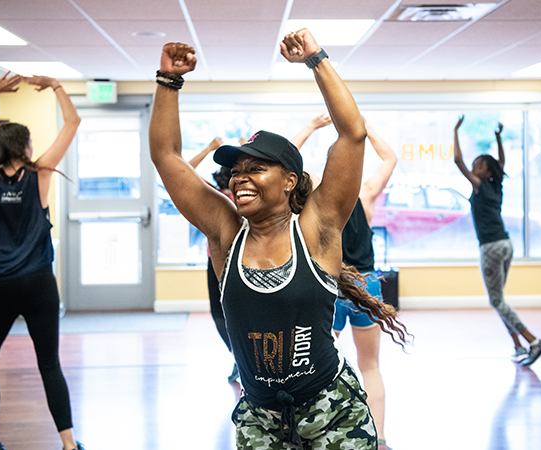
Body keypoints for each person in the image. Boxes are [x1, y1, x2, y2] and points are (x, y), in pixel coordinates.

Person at [149, 30, 409, 449]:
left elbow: (351, 136)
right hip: (259, 416)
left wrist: (316, 60)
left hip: (333, 411)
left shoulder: (316, 229)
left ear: (289, 181)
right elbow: (167, 157)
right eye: (235, 171)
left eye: (255, 169)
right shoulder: (225, 232)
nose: (239, 179)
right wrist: (168, 82)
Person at [0, 72, 84, 450]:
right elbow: (73, 122)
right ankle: (69, 445)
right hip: (39, 283)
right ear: (24, 147)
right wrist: (55, 85)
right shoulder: (40, 173)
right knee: (50, 365)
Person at [290, 114, 397, 450]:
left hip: (329, 289)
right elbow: (390, 157)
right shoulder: (365, 196)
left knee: (318, 367)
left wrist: (311, 126)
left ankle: (320, 431)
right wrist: (364, 129)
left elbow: (285, 159)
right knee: (371, 366)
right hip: (368, 286)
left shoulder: (318, 205)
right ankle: (378, 438)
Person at [453, 116, 541, 365]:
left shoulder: (479, 185)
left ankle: (533, 341)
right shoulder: (497, 185)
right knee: (500, 299)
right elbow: (501, 162)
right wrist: (497, 138)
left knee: (496, 300)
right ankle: (518, 346)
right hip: (506, 244)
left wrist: (455, 131)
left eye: (478, 165)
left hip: (492, 247)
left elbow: (457, 161)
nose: (473, 168)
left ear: (486, 172)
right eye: (474, 165)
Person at [186, 136, 240, 382]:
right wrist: (209, 148)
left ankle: (244, 358)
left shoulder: (249, 194)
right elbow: (184, 171)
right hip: (216, 261)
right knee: (219, 313)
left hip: (244, 260)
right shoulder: (215, 194)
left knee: (234, 313)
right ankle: (239, 358)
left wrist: (211, 148)